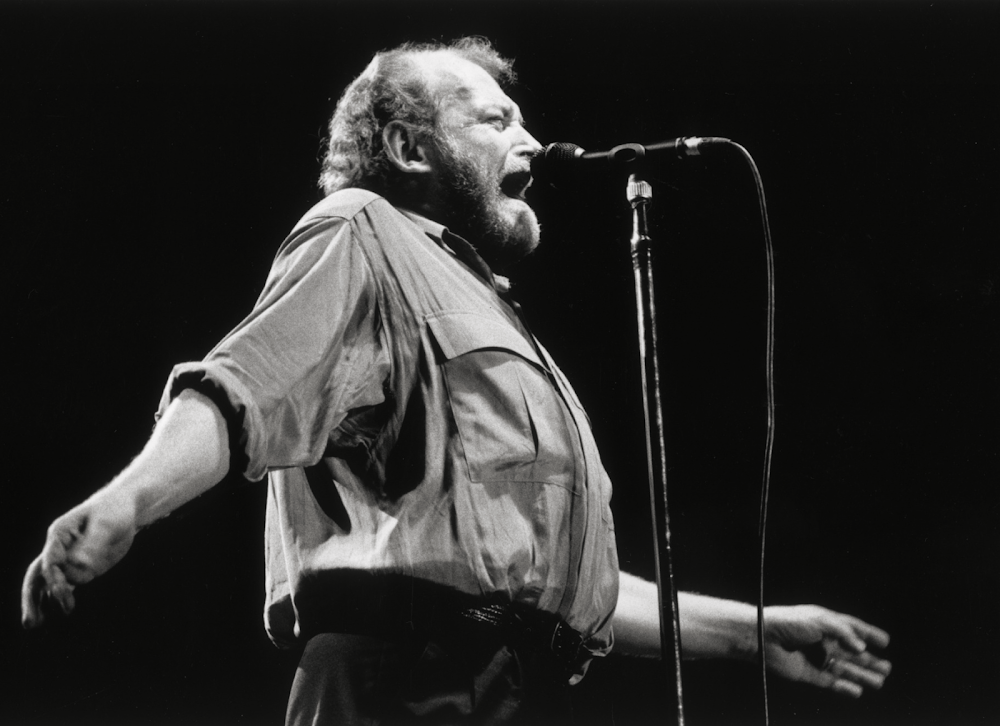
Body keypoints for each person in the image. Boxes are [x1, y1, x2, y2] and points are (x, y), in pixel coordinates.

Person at [21, 37, 891, 725]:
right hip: (402, 685)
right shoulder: (361, 232)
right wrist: (129, 501)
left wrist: (753, 632)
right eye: (495, 119)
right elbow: (244, 385)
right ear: (409, 147)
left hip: (505, 685)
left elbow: (557, 589)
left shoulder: (492, 311)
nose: (531, 140)